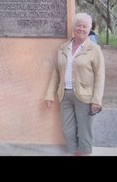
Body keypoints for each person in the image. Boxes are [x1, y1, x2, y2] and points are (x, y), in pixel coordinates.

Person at [45, 12, 105, 156]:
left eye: (84, 26)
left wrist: (97, 100)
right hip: (65, 95)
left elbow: (100, 76)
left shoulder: (94, 49)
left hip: (85, 96)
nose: (81, 29)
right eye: (78, 25)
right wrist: (49, 95)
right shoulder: (63, 47)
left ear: (89, 29)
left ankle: (84, 153)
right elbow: (56, 73)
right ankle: (72, 153)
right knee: (67, 130)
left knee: (84, 131)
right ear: (73, 28)